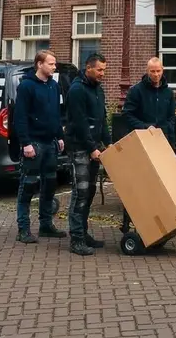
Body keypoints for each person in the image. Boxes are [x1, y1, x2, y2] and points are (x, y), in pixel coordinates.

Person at [13, 50, 66, 244]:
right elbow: (20, 117)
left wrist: (60, 136)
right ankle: (23, 229)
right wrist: (26, 143)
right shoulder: (27, 86)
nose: (54, 67)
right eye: (51, 63)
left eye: (54, 63)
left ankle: (46, 225)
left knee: (49, 185)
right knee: (28, 185)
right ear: (39, 64)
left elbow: (56, 114)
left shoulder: (54, 86)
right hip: (34, 143)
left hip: (51, 143)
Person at [65, 52, 112, 255]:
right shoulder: (77, 90)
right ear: (89, 68)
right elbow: (80, 122)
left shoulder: (98, 90)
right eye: (100, 70)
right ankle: (76, 239)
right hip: (79, 147)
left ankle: (83, 233)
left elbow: (101, 118)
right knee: (80, 192)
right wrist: (92, 148)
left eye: (104, 70)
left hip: (94, 148)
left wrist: (108, 143)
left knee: (90, 191)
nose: (102, 73)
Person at [122, 56, 176, 148]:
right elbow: (127, 114)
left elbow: (171, 117)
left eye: (158, 71)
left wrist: (167, 133)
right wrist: (145, 127)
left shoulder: (168, 92)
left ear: (162, 70)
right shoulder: (136, 91)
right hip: (142, 139)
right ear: (147, 71)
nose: (156, 74)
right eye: (152, 71)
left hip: (162, 138)